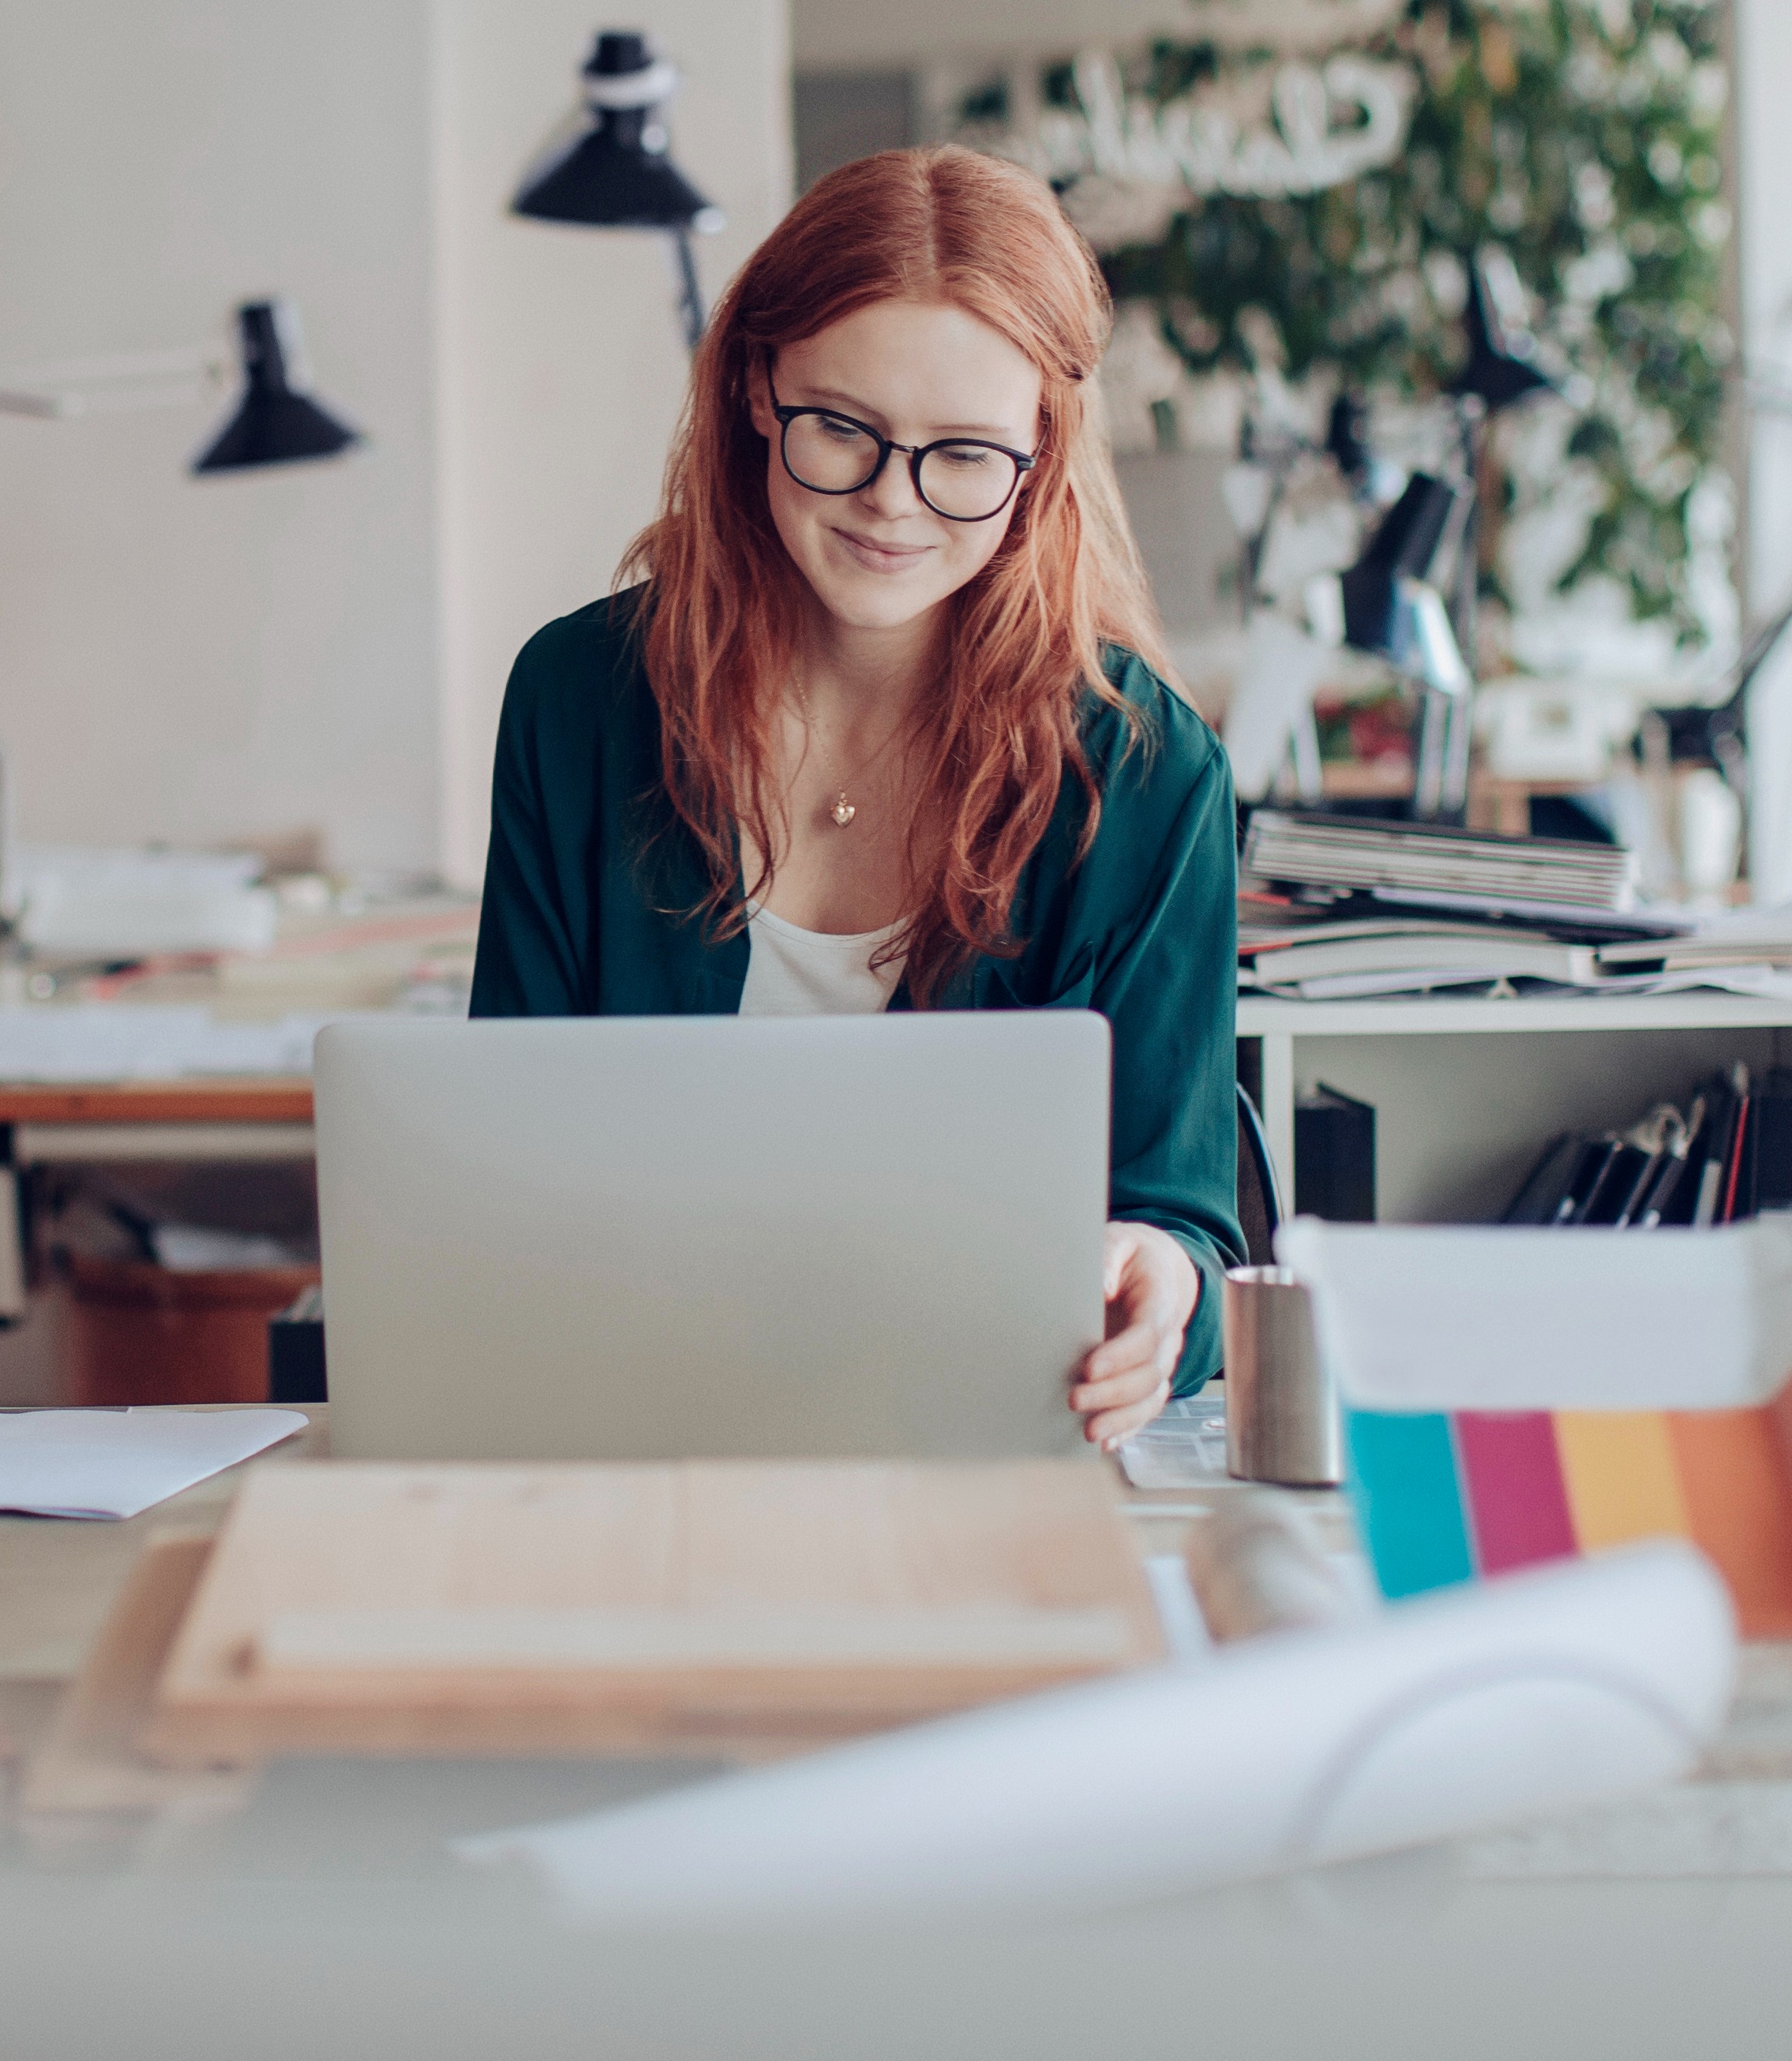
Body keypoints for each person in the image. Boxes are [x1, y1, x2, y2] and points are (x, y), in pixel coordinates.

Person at [470, 147, 1238, 1448]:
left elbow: (1182, 1227)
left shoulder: (1145, 767)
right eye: (843, 429)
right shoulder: (577, 700)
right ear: (756, 392)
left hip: (983, 1442)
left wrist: (1163, 1286)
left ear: (1039, 459)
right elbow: (494, 1164)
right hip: (629, 1426)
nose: (892, 502)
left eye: (963, 456)